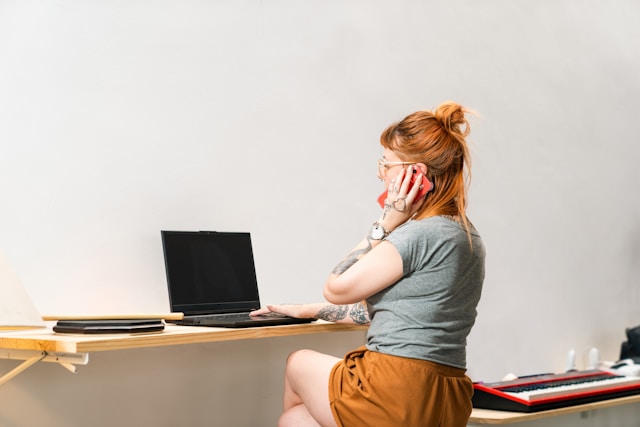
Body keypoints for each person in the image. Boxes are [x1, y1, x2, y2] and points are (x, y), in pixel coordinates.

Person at [251, 101, 486, 427]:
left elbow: (336, 287)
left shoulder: (416, 235)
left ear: (413, 174)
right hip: (446, 396)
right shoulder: (467, 237)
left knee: (297, 362)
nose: (379, 173)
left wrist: (387, 220)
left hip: (396, 387)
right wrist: (308, 310)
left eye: (386, 164)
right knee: (294, 420)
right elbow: (400, 311)